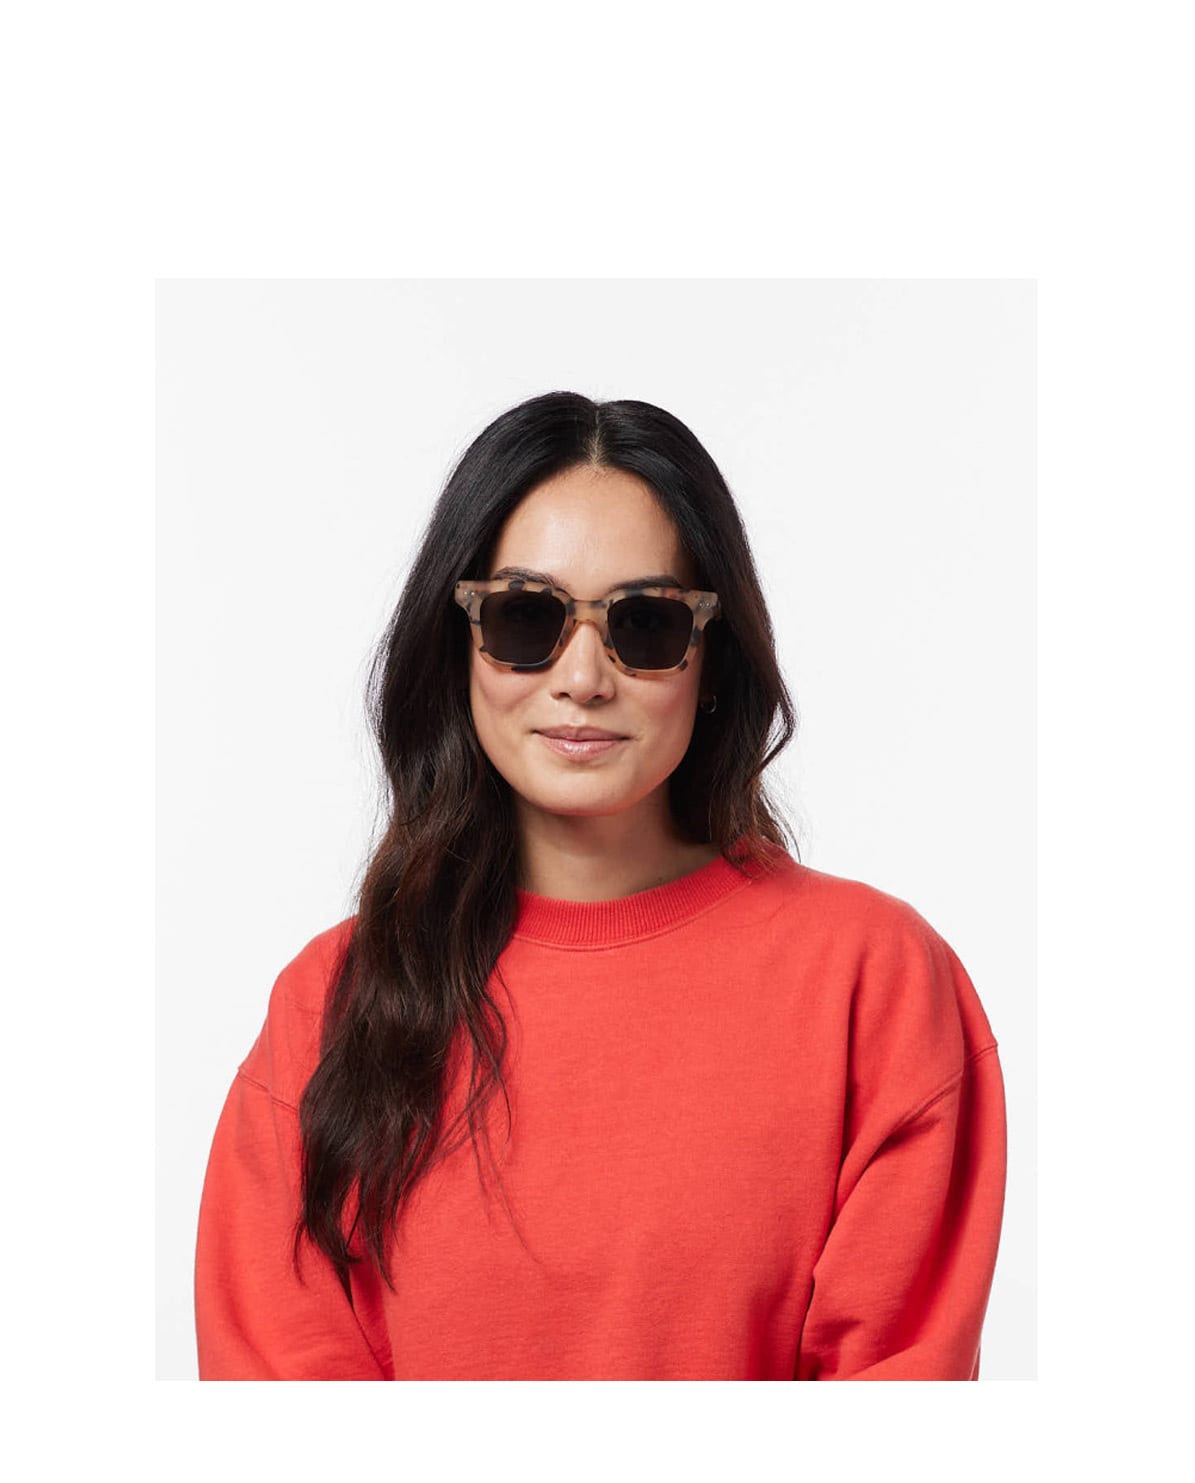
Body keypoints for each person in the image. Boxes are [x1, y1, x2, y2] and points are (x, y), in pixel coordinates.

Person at [194, 390, 1007, 1380]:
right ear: (458, 645)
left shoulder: (872, 982)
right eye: (524, 617)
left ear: (711, 657)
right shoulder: (329, 1004)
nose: (582, 677)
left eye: (646, 623)